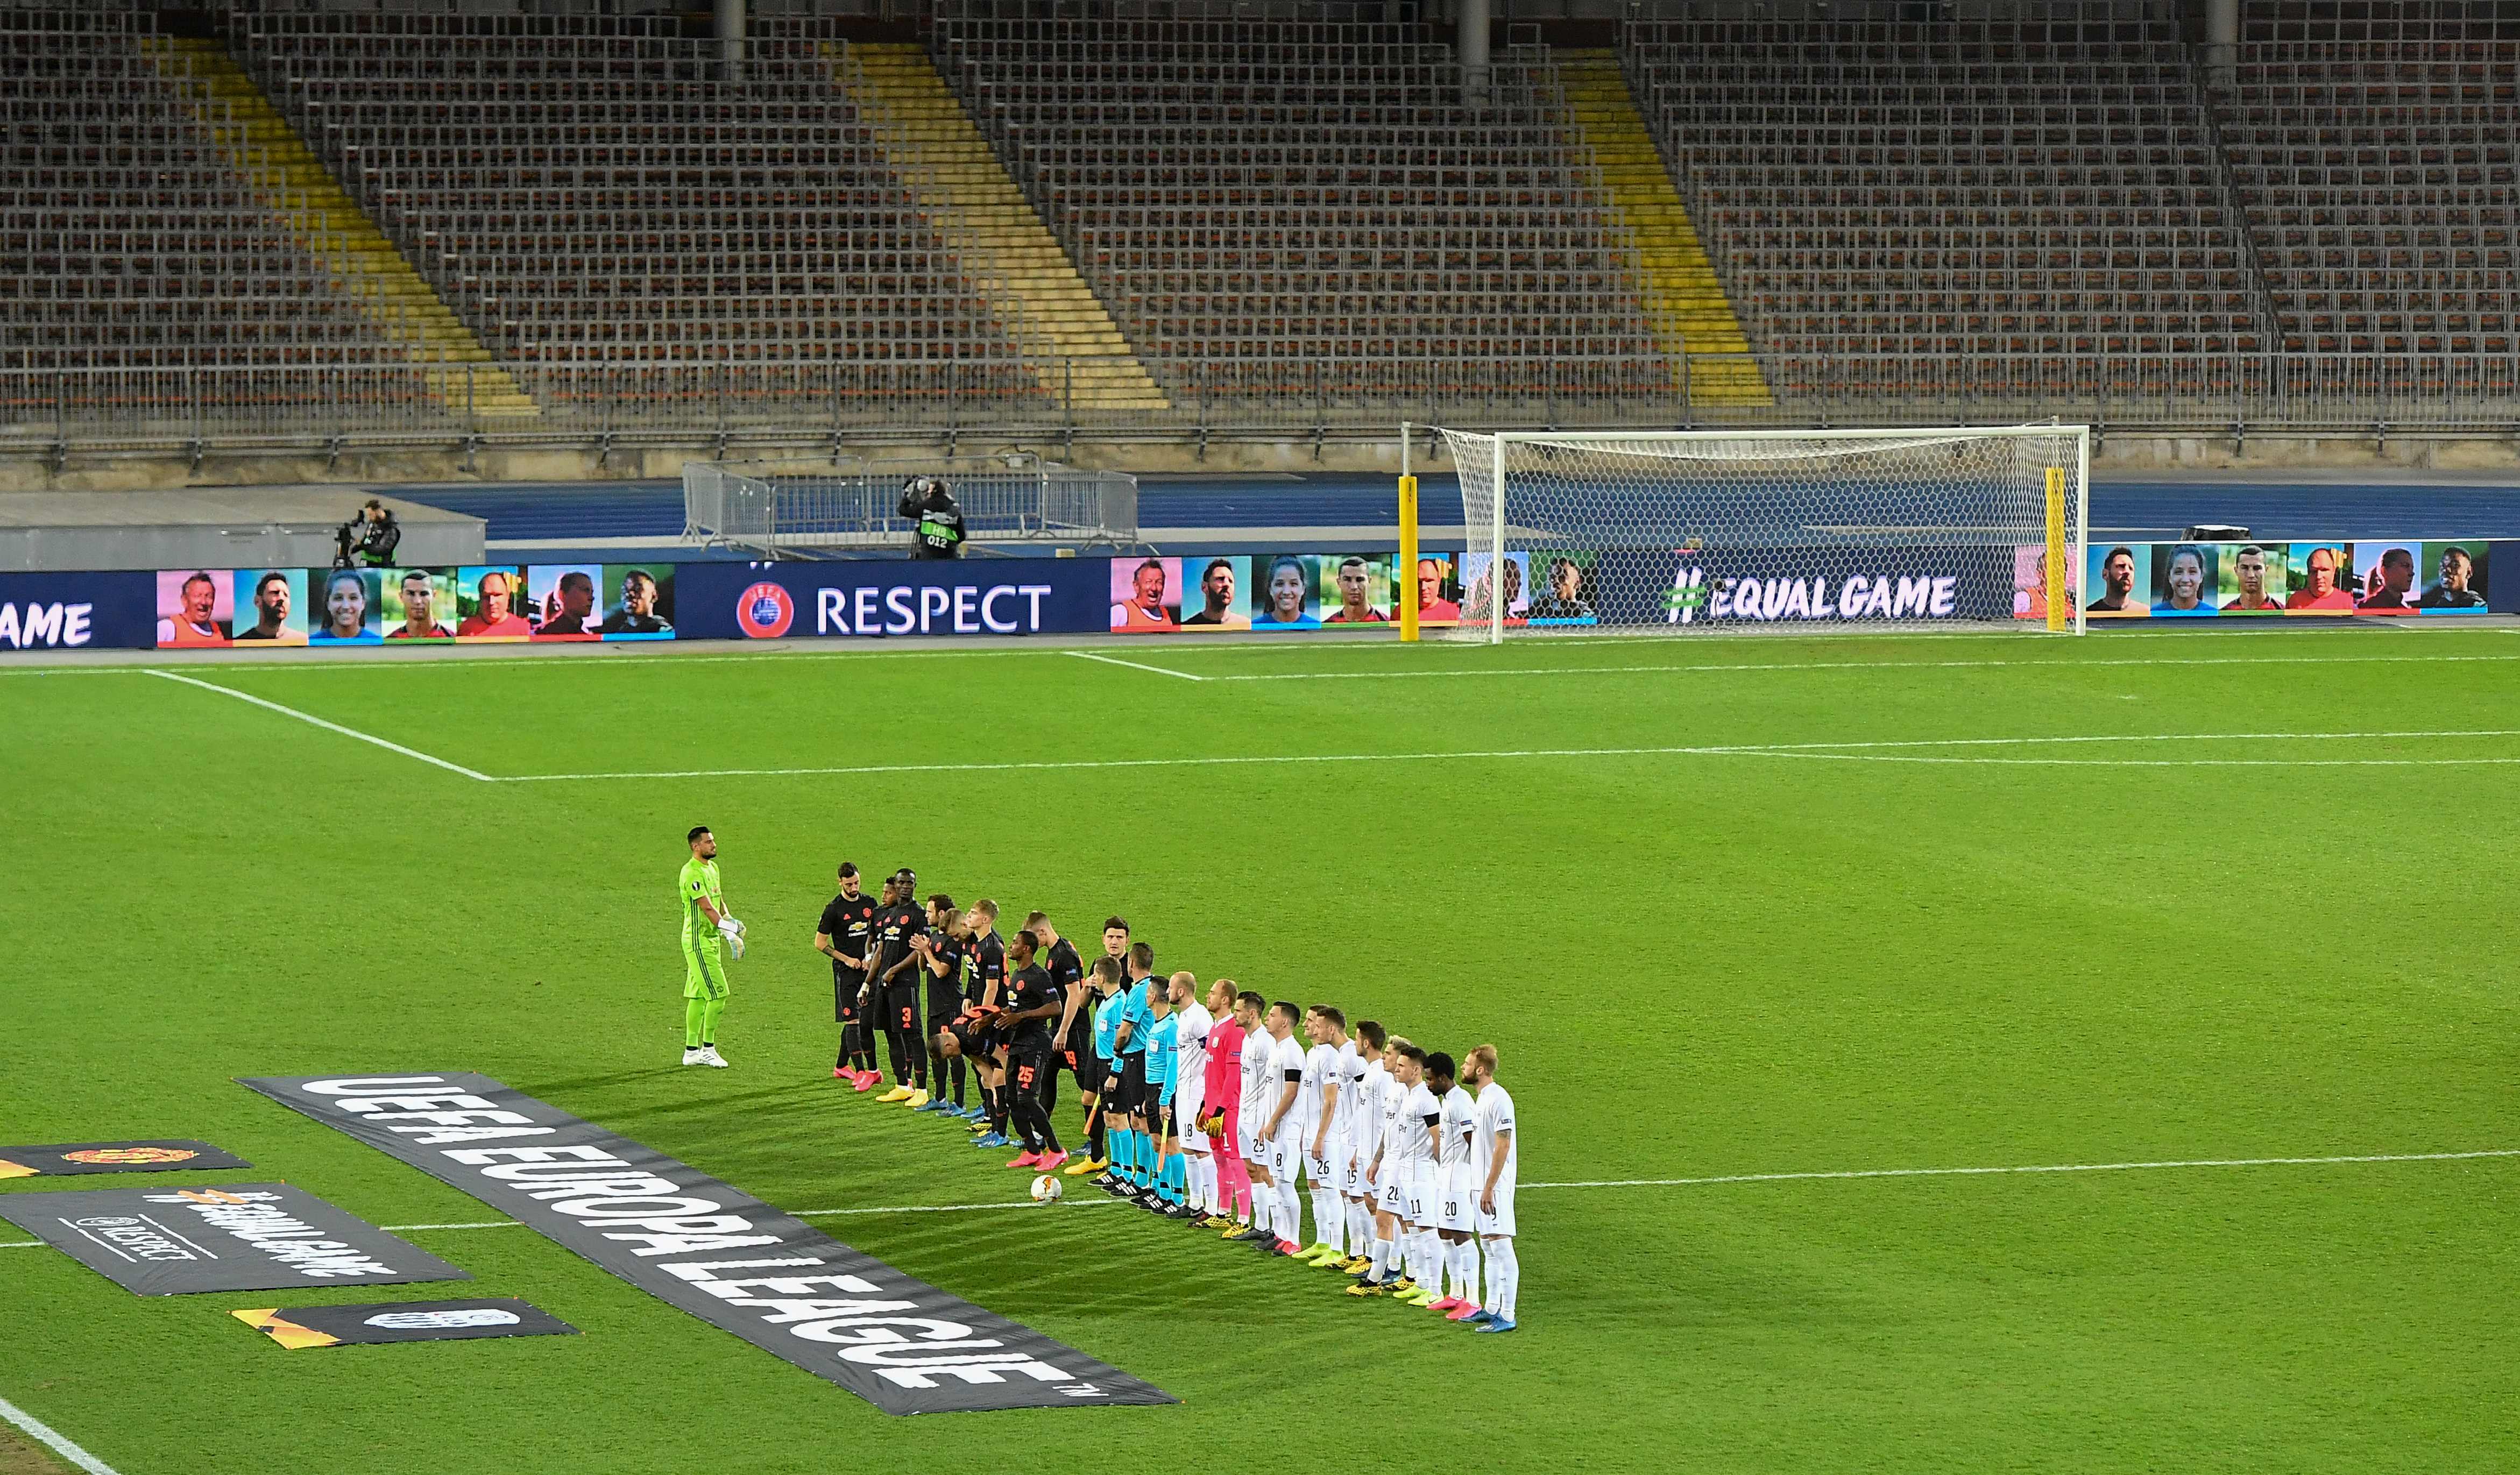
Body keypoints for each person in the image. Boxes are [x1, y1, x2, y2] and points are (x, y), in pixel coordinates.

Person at [1351, 1040, 1434, 1296]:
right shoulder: (1401, 1092)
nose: (1395, 1068)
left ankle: (1410, 1277)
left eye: (1400, 1064)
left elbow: (1435, 1139)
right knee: (1391, 1218)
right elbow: (1390, 1133)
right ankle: (1391, 1276)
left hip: (1409, 1168)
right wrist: (1378, 1160)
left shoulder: (1423, 1099)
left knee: (1407, 1223)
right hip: (1393, 1165)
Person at [991, 929, 1068, 1172]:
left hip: (1035, 1045)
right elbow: (1015, 1006)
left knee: (1026, 1097)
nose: (1010, 946)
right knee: (1011, 1097)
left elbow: (1056, 1007)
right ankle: (1032, 1151)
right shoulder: (1018, 974)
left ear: (1026, 949)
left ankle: (1056, 1150)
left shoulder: (1039, 976)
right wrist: (991, 1017)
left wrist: (1021, 1017)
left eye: (1015, 943)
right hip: (1017, 1044)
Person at [1460, 1044, 1518, 1332]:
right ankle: (1492, 1307)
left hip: (1495, 1187)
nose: (1464, 1067)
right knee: (1488, 1247)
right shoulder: (1482, 1099)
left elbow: (1503, 1145)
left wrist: (1490, 1187)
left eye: (1468, 1064)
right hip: (1480, 1186)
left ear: (1480, 1070)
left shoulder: (1499, 1099)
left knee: (1501, 1246)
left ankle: (1508, 1314)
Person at [1422, 1052, 1483, 1315]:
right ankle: (1456, 1293)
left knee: (1461, 1234)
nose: (1428, 1084)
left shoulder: (1461, 1103)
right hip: (1444, 1176)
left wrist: (1476, 1177)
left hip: (1459, 1178)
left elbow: (1474, 1142)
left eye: (1430, 1079)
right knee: (1444, 1232)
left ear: (1444, 1078)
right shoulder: (1448, 1102)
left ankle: (1473, 1300)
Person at [813, 862, 881, 1090]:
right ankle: (861, 1071)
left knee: (862, 1020)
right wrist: (847, 960)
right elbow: (820, 943)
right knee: (853, 1019)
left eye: (857, 883)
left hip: (868, 971)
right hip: (846, 972)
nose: (854, 887)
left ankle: (842, 1066)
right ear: (840, 882)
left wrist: (869, 957)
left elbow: (876, 936)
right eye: (849, 884)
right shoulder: (834, 909)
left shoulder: (870, 904)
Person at [677, 826, 740, 1068]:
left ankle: (691, 1051)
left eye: (713, 841)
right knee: (719, 993)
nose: (714, 845)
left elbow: (717, 899)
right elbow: (705, 907)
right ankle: (708, 1049)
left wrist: (729, 919)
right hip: (699, 941)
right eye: (708, 842)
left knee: (698, 995)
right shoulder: (691, 873)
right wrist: (727, 930)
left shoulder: (712, 868)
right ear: (696, 846)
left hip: (710, 940)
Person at [867, 869, 930, 1108]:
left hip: (905, 985)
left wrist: (895, 970)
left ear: (915, 886)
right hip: (885, 985)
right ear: (895, 884)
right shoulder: (889, 914)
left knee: (912, 1035)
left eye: (909, 883)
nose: (905, 887)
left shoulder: (918, 915)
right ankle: (903, 1085)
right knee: (891, 1033)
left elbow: (919, 950)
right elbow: (881, 950)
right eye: (901, 883)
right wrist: (868, 984)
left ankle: (922, 1089)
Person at [1296, 1006, 1353, 1266]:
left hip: (1327, 1136)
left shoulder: (1331, 1056)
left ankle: (1337, 1248)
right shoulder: (1313, 1053)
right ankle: (1321, 1241)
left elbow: (1331, 1102)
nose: (1310, 1027)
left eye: (1314, 1023)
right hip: (1310, 1133)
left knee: (1330, 1190)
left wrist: (1320, 1137)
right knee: (1315, 1187)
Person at [1230, 990, 1283, 1247]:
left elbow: (1275, 1086)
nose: (1234, 1014)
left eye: (1238, 1010)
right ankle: (1261, 1225)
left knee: (1266, 1170)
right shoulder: (1247, 1040)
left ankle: (1278, 1229)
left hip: (1260, 1118)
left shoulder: (1265, 1043)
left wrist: (1268, 1120)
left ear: (1252, 1014)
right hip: (1245, 1115)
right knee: (1252, 1169)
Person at [1257, 999, 1309, 1256]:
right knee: (1278, 1182)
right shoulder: (1278, 1049)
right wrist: (1266, 1122)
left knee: (1285, 1183)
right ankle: (1281, 1235)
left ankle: (1294, 1239)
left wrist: (1275, 1120)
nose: (1267, 1018)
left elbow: (1291, 1091)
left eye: (1273, 1015)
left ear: (1285, 1022)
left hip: (1287, 1129)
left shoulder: (1292, 1052)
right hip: (1274, 1127)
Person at [1337, 1019, 1390, 1273]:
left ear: (1366, 1043)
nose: (1355, 1043)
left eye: (1357, 1039)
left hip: (1378, 1154)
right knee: (1370, 1204)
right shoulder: (1370, 1072)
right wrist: (1358, 1150)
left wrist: (1379, 1155)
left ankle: (1384, 1264)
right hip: (1365, 1150)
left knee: (1383, 1211)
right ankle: (1370, 1257)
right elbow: (1364, 1114)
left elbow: (1386, 1118)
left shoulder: (1382, 1076)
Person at [1202, 978, 1252, 1233]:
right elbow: (1213, 1072)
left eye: (1212, 993)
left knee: (1235, 1160)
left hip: (1228, 1109)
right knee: (1220, 1158)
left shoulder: (1234, 1030)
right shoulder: (1216, 1027)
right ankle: (1224, 1212)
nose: (1207, 997)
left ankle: (1243, 1219)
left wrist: (1221, 1110)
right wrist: (1205, 1106)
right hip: (1214, 1108)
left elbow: (1233, 1076)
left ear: (1225, 1000)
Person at [911, 894, 969, 1115]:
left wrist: (926, 951)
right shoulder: (935, 937)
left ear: (942, 914)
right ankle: (940, 1097)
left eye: (930, 911)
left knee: (953, 1053)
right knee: (936, 1051)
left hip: (950, 1005)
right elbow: (924, 968)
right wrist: (921, 952)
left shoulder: (954, 943)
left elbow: (941, 971)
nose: (926, 915)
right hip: (935, 1005)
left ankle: (960, 1103)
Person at [1140, 974, 1192, 1216]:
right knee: (1156, 1141)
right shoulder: (1157, 1023)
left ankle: (1177, 1196)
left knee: (1172, 1144)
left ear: (1152, 996)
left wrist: (1164, 1098)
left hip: (1164, 1089)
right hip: (1152, 1089)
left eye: (1147, 993)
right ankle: (1163, 1191)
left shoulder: (1172, 1026)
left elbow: (1173, 1065)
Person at [1167, 971, 1216, 1224]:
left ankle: (1212, 1205)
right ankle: (1195, 1201)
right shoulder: (1184, 1017)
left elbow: (1211, 1057)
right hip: (1184, 1089)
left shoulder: (1199, 1018)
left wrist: (1208, 1095)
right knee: (1188, 1147)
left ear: (1182, 991)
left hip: (1197, 1091)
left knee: (1202, 1149)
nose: (1168, 992)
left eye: (1171, 988)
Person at [899, 476, 965, 559]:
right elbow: (962, 536)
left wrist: (907, 495)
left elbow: (903, 510)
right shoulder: (953, 507)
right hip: (950, 556)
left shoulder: (926, 506)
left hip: (928, 556)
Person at [230, 572, 306, 644]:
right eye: (275, 593)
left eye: (286, 595)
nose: (282, 598)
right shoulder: (240, 642)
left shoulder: (303, 640)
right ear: (258, 601)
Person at [159, 571, 229, 646]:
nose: (204, 602)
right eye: (198, 596)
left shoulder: (216, 629)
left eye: (209, 596)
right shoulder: (168, 627)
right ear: (185, 600)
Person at [598, 569, 674, 636]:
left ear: (654, 596)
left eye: (637, 589)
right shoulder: (620, 633)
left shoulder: (664, 631)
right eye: (625, 590)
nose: (628, 594)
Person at [458, 569, 530, 639]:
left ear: (507, 596)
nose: (491, 602)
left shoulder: (524, 629)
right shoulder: (466, 628)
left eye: (497, 595)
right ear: (480, 598)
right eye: (486, 597)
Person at [311, 569, 377, 644]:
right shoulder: (313, 642)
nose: (346, 606)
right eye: (338, 598)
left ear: (363, 604)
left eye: (353, 598)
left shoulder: (376, 642)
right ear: (328, 604)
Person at [1181, 559, 1250, 629]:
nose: (1227, 584)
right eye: (1220, 579)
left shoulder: (1246, 625)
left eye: (1231, 581)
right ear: (1204, 587)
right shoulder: (1188, 626)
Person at [386, 570, 454, 640]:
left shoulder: (451, 638)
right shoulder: (391, 641)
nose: (417, 601)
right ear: (401, 596)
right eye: (411, 594)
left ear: (434, 595)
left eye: (424, 594)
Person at [1254, 556, 1318, 628]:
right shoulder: (1255, 626)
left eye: (1293, 584)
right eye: (1280, 584)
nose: (1286, 592)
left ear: (1303, 589)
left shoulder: (1315, 627)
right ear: (1270, 589)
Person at [335, 498, 400, 570]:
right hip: (368, 563)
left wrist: (362, 545)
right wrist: (348, 550)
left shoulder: (391, 529)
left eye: (370, 515)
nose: (369, 518)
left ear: (378, 511)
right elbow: (366, 540)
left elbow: (382, 550)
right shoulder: (373, 523)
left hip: (382, 567)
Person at [1111, 559, 1177, 630]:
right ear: (1136, 586)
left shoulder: (1166, 615)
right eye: (1149, 582)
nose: (1154, 588)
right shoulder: (1121, 612)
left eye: (1159, 582)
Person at [1322, 557, 1389, 623]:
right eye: (1347, 580)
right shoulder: (1329, 625)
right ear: (1339, 582)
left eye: (1360, 580)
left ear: (1369, 581)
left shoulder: (1385, 623)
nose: (1354, 587)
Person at [1525, 556, 1595, 620]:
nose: (1556, 580)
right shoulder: (1537, 612)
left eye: (1562, 576)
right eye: (1552, 576)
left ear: (1577, 583)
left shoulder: (1585, 616)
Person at [2285, 546, 2354, 611]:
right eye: (2314, 571)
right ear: (2308, 573)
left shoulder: (2347, 603)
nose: (2319, 576)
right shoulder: (2295, 601)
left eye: (2324, 570)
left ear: (2334, 571)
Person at [2418, 545, 2486, 609]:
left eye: (2455, 565)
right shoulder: (2437, 606)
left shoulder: (2478, 606)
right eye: (2443, 566)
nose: (2446, 570)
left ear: (2469, 572)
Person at [536, 570, 599, 637]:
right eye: (585, 590)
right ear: (562, 595)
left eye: (591, 592)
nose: (592, 598)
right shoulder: (541, 634)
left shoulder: (586, 638)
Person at [2224, 545, 2283, 613]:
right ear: (2236, 570)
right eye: (2245, 568)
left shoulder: (2281, 610)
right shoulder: (2225, 612)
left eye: (2257, 568)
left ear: (2266, 570)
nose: (2251, 575)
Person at [2356, 547, 2418, 612]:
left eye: (2412, 568)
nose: (2412, 573)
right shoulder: (2365, 607)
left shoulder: (2405, 612)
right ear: (2384, 571)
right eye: (2405, 566)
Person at [2157, 545, 2213, 615]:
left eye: (2192, 572)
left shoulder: (2212, 614)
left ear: (2201, 577)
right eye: (2178, 572)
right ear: (2170, 578)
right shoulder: (2154, 613)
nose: (2185, 579)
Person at [2086, 547, 2144, 614]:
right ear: (2105, 574)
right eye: (2121, 566)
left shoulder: (2144, 612)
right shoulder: (2090, 613)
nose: (2127, 572)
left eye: (2131, 568)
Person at [1415, 557, 1461, 624]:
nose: (1423, 587)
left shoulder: (1454, 613)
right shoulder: (1401, 613)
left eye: (1429, 581)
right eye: (1419, 582)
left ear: (1439, 581)